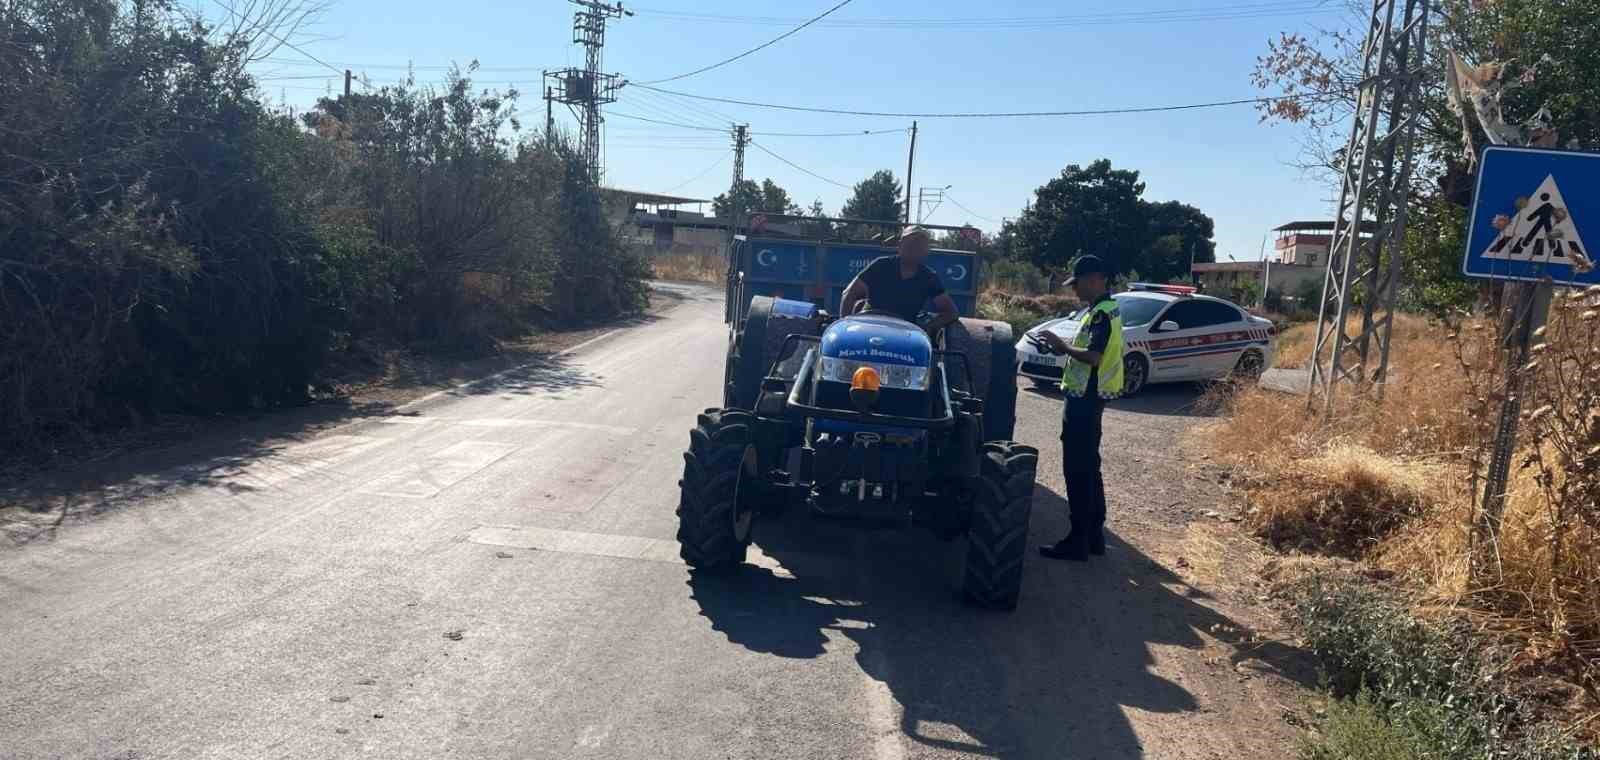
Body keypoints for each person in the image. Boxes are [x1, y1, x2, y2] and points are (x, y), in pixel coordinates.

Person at [1033, 255, 1125, 561]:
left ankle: (1077, 540)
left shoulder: (1101, 313)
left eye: (1077, 283)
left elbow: (1094, 356)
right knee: (1090, 467)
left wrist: (1061, 346)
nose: (1074, 290)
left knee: (1077, 470)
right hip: (1091, 396)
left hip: (1085, 399)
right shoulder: (1104, 311)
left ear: (1095, 279)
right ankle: (1094, 536)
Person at [838, 226, 961, 336]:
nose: (914, 248)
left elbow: (951, 312)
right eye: (910, 243)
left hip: (905, 335)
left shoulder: (929, 277)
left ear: (926, 251)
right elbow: (849, 294)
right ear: (900, 245)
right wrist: (844, 327)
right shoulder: (880, 266)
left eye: (919, 245)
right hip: (869, 328)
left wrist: (929, 327)